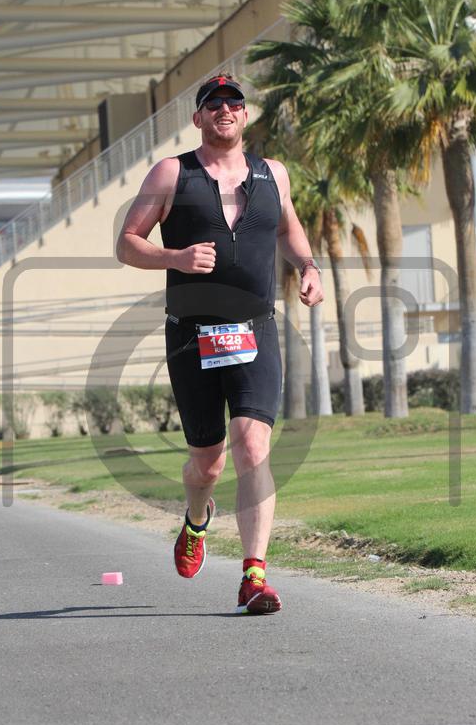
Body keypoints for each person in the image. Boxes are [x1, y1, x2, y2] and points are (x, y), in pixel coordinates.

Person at [116, 73, 323, 614]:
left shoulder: (272, 173)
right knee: (206, 464)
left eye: (234, 103)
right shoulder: (172, 173)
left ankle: (254, 576)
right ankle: (196, 518)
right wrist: (176, 258)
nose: (224, 110)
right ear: (198, 118)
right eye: (214, 104)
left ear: (245, 115)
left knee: (253, 446)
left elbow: (287, 229)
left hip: (255, 330)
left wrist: (308, 266)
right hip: (192, 335)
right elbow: (128, 243)